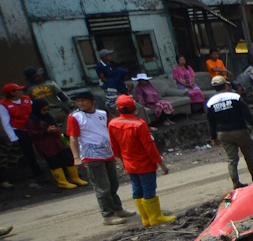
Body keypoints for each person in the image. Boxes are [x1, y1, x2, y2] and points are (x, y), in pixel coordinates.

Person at [67, 91, 133, 225]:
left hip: (107, 153)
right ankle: (107, 215)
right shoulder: (75, 117)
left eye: (83, 100)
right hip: (91, 156)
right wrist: (76, 157)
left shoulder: (102, 114)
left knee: (113, 183)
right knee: (103, 187)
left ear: (92, 101)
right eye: (78, 101)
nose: (80, 103)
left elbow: (109, 131)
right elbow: (73, 138)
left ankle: (117, 209)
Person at [109, 95, 175, 227]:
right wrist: (161, 163)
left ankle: (146, 219)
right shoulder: (140, 124)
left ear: (118, 109)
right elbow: (149, 146)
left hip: (129, 163)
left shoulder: (112, 124)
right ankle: (155, 217)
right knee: (148, 189)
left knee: (137, 189)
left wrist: (122, 161)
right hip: (144, 164)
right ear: (135, 108)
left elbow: (114, 147)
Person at [206, 76, 253, 189]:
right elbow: (247, 115)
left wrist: (213, 137)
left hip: (223, 133)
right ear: (226, 85)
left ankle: (235, 182)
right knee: (248, 154)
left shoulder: (210, 102)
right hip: (240, 130)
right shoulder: (235, 97)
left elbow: (211, 122)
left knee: (232, 159)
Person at [27, 99, 86, 190]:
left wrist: (60, 136)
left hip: (57, 141)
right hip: (45, 145)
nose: (46, 112)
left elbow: (55, 126)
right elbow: (33, 134)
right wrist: (47, 131)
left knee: (68, 158)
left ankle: (75, 178)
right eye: (44, 110)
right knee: (54, 163)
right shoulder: (32, 120)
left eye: (47, 109)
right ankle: (62, 182)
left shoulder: (47, 116)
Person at [1, 83, 40, 181]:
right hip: (19, 130)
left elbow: (35, 112)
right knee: (28, 152)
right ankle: (35, 172)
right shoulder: (3, 105)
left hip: (32, 128)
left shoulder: (27, 99)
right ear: (11, 93)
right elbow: (6, 122)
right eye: (18, 90)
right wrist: (13, 137)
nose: (21, 92)